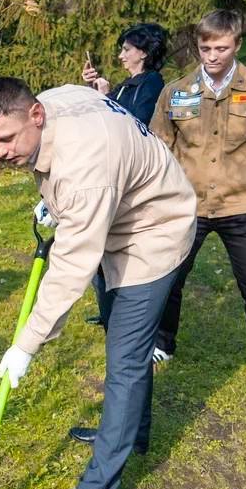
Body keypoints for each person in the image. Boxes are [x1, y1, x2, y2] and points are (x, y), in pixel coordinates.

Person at [0, 77, 196, 489]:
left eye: (6, 139)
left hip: (152, 234)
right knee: (123, 347)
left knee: (126, 361)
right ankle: (131, 431)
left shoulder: (85, 171)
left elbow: (69, 269)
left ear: (35, 115)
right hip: (117, 217)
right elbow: (86, 92)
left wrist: (26, 345)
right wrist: (54, 203)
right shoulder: (57, 101)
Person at [149, 9, 246, 397]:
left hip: (240, 207)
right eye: (205, 48)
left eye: (221, 48)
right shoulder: (176, 91)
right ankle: (161, 344)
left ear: (237, 45)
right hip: (188, 207)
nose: (212, 56)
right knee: (169, 280)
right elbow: (155, 151)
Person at [80, 23, 172, 329]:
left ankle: (120, 318)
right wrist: (100, 93)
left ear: (143, 53)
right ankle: (109, 314)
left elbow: (134, 126)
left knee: (118, 252)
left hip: (130, 182)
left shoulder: (151, 85)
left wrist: (106, 98)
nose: (121, 54)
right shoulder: (124, 86)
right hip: (111, 176)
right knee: (102, 253)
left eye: (127, 49)